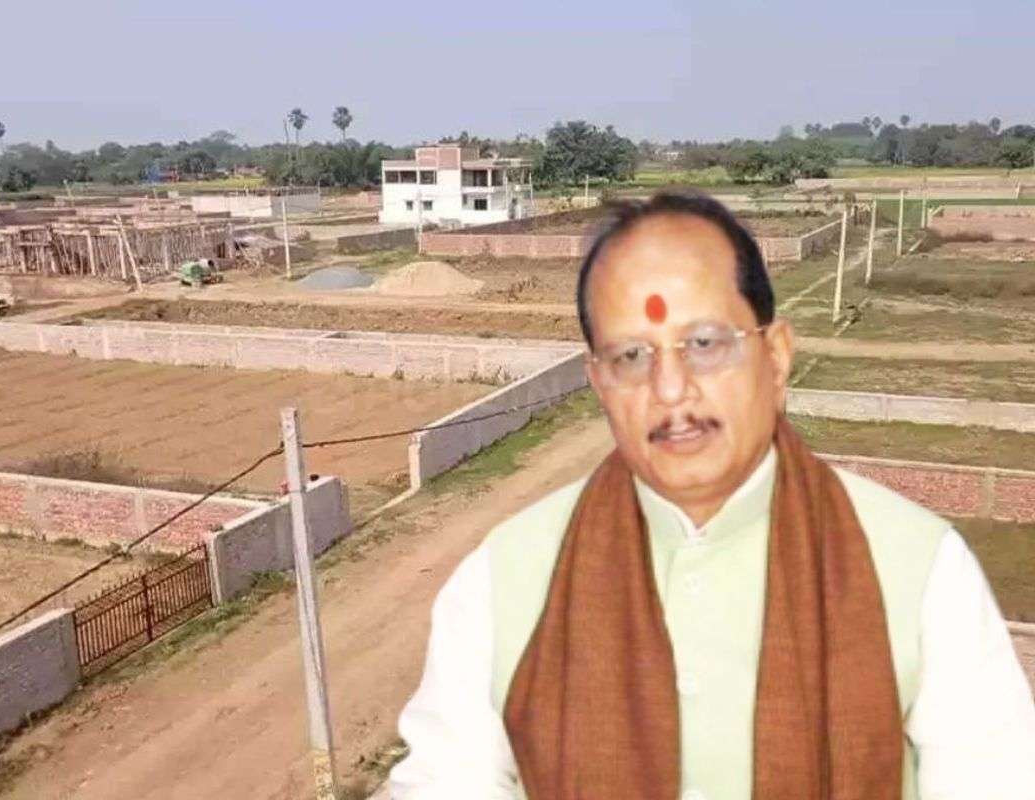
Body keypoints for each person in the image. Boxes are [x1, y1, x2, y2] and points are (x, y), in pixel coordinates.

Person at [389, 192, 1035, 799]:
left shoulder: (919, 570)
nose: (671, 390)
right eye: (631, 356)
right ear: (598, 383)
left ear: (776, 356)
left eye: (703, 344)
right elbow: (447, 780)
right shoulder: (502, 581)